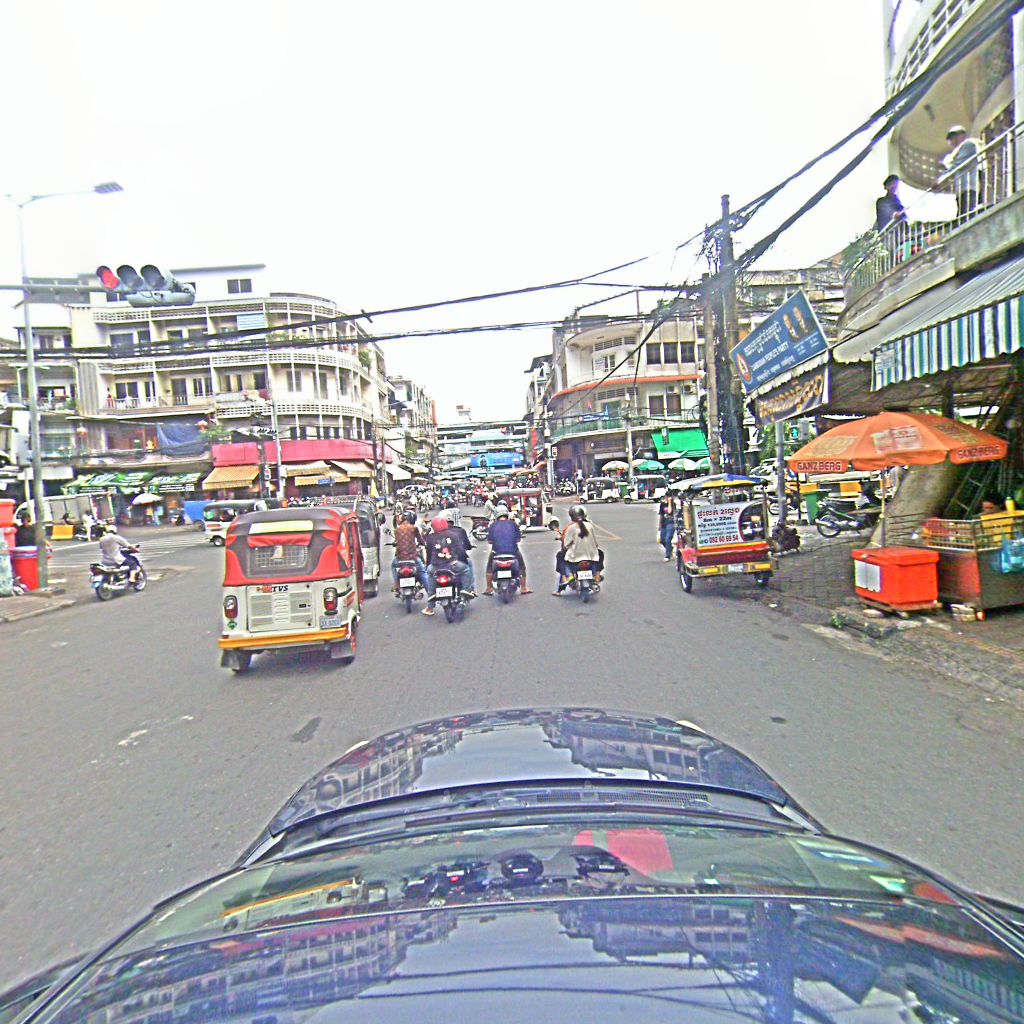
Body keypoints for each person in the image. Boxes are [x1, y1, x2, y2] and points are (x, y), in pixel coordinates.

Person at [422, 515, 476, 615]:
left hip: (436, 566)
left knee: (429, 574)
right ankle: (466, 590)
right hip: (452, 564)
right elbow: (460, 551)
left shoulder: (430, 538)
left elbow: (429, 553)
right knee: (466, 570)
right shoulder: (453, 535)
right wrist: (463, 561)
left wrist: (428, 565)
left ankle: (430, 605)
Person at [483, 503, 532, 595]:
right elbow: (518, 539)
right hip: (513, 552)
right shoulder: (513, 524)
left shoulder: (493, 525)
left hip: (496, 553)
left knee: (489, 568)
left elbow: (490, 541)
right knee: (522, 567)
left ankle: (488, 588)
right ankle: (523, 588)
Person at [554, 504, 602, 595]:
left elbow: (566, 543)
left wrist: (565, 547)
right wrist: (596, 547)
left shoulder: (571, 528)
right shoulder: (589, 525)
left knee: (563, 558)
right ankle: (597, 575)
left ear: (572, 517)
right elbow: (595, 541)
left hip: (576, 557)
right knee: (599, 556)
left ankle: (569, 575)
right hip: (591, 555)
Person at [943, 125, 980, 222]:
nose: (951, 141)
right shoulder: (957, 151)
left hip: (969, 187)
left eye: (953, 137)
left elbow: (958, 164)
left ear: (961, 135)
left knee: (967, 215)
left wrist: (941, 179)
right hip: (962, 188)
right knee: (962, 215)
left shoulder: (968, 145)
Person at [391, 509, 429, 593]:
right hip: (413, 558)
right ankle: (429, 592)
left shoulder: (397, 530)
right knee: (422, 572)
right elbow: (420, 540)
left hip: (400, 558)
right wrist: (424, 544)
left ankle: (396, 584)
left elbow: (397, 541)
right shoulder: (414, 528)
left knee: (393, 566)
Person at [657, 492, 677, 561]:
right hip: (664, 523)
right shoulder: (662, 504)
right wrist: (660, 525)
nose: (668, 498)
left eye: (669, 497)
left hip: (671, 522)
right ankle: (670, 549)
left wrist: (670, 503)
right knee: (662, 540)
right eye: (667, 496)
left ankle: (668, 555)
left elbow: (669, 511)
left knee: (668, 538)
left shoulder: (673, 504)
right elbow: (661, 514)